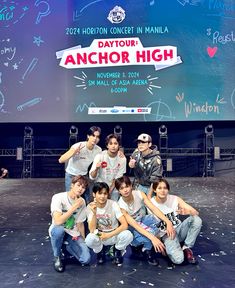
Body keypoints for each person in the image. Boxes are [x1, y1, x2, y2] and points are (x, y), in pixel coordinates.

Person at [115, 176, 175, 266]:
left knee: (156, 219)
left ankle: (152, 242)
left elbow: (153, 208)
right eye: (122, 188)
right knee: (148, 233)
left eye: (127, 186)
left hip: (142, 221)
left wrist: (168, 222)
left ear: (131, 186)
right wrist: (153, 237)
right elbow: (135, 225)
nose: (125, 190)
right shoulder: (120, 205)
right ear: (118, 191)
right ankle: (146, 249)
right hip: (131, 227)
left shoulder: (139, 194)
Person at [148, 178, 202, 265]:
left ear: (168, 190)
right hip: (167, 235)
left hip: (179, 229)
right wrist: (161, 245)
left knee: (196, 219)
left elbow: (196, 213)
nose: (163, 191)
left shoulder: (175, 199)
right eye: (159, 188)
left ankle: (186, 247)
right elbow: (152, 226)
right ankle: (174, 247)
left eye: (165, 188)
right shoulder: (150, 203)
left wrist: (189, 212)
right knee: (178, 260)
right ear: (155, 190)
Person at [49, 175, 91, 272]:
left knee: (86, 259)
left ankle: (65, 246)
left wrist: (83, 242)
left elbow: (80, 223)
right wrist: (74, 207)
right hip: (58, 229)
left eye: (83, 187)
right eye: (78, 185)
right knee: (59, 230)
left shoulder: (82, 202)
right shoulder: (58, 197)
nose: (80, 189)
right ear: (72, 185)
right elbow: (58, 221)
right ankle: (57, 256)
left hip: (72, 233)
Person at [85, 182, 133, 265]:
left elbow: (124, 225)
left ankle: (117, 250)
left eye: (105, 193)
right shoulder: (90, 207)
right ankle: (100, 251)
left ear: (108, 194)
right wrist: (93, 213)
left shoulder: (113, 204)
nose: (102, 196)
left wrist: (109, 235)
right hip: (100, 235)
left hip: (113, 233)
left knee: (128, 235)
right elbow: (92, 230)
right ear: (94, 194)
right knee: (89, 239)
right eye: (100, 193)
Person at [58, 126, 101, 202]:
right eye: (93, 135)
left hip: (83, 175)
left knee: (86, 200)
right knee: (71, 199)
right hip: (71, 175)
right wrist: (73, 152)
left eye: (97, 137)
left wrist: (119, 152)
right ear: (88, 136)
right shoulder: (79, 146)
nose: (95, 138)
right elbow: (61, 160)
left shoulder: (98, 150)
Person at [89, 134, 126, 201]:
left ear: (118, 145)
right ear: (107, 145)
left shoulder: (122, 158)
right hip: (100, 186)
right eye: (110, 143)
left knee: (113, 207)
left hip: (113, 188)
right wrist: (96, 168)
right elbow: (92, 177)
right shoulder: (100, 156)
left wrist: (109, 192)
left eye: (115, 143)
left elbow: (117, 178)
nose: (113, 146)